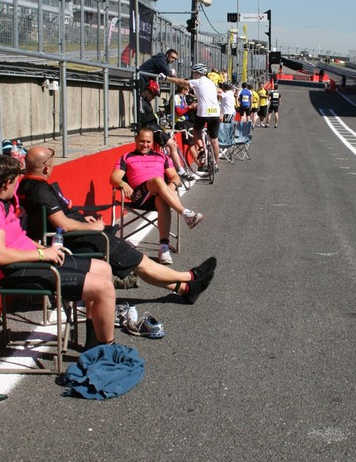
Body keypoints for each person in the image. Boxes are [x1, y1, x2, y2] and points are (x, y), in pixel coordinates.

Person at [17, 146, 215, 304]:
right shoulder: (40, 190)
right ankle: (190, 276)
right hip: (74, 240)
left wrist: (83, 220)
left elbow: (60, 217)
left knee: (133, 259)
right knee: (137, 260)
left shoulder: (27, 185)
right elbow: (62, 223)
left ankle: (186, 289)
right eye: (51, 161)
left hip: (75, 234)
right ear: (46, 168)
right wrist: (91, 227)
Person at [0, 155, 116, 350]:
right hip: (19, 271)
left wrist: (44, 249)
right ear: (6, 184)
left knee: (104, 269)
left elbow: (18, 238)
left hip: (34, 261)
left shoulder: (4, 202)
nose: (17, 186)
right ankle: (107, 349)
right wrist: (44, 255)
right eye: (15, 182)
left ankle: (93, 342)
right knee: (103, 287)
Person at [110, 128, 204, 264]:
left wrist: (171, 186)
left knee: (163, 200)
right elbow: (114, 178)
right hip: (138, 196)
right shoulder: (127, 157)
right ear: (136, 140)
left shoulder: (162, 157)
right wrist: (123, 184)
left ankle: (163, 248)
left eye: (148, 141)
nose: (145, 144)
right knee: (158, 180)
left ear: (152, 142)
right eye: (142, 141)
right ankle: (186, 214)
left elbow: (175, 177)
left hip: (158, 195)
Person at [165, 63, 221, 169]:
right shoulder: (211, 83)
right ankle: (215, 165)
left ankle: (201, 149)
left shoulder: (198, 81)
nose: (193, 75)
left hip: (204, 112)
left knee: (196, 130)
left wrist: (167, 78)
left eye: (194, 73)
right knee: (214, 141)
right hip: (215, 113)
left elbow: (179, 81)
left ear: (197, 73)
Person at [138, 79, 194, 183]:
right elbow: (142, 119)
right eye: (153, 95)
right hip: (150, 129)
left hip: (155, 126)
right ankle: (180, 171)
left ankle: (171, 171)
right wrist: (156, 115)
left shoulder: (146, 101)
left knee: (170, 147)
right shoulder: (141, 101)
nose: (153, 98)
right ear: (147, 91)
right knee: (172, 145)